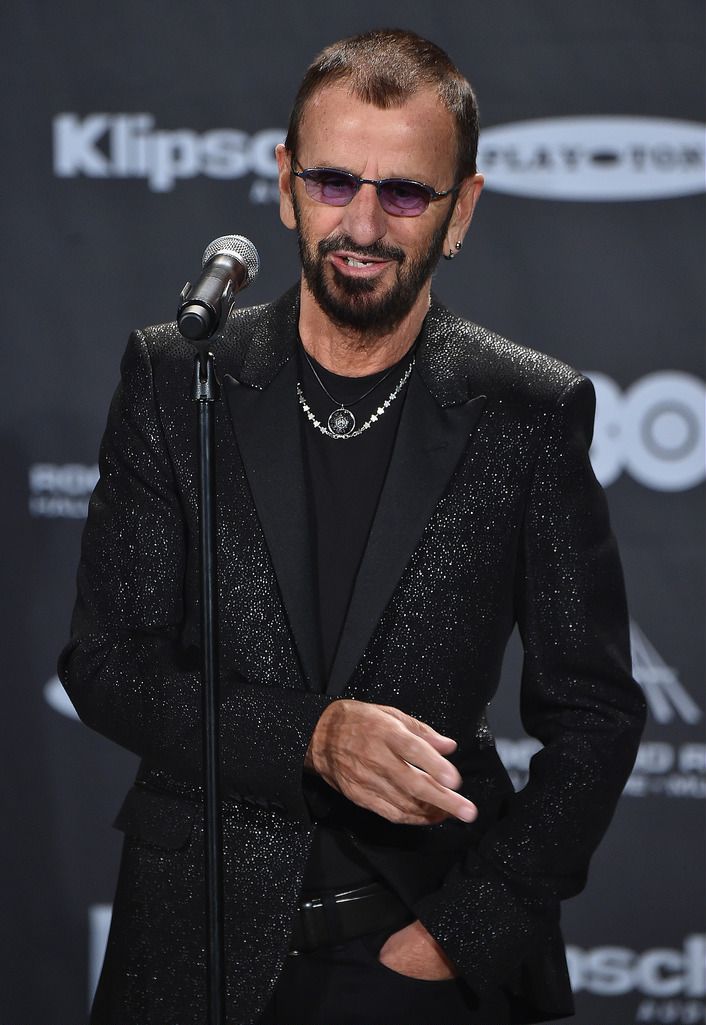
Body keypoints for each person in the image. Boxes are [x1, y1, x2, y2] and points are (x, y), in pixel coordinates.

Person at [59, 28, 646, 1025]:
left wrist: (470, 929)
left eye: (405, 192)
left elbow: (593, 712)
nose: (362, 222)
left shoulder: (528, 408)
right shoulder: (176, 377)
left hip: (411, 951)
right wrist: (311, 736)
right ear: (285, 182)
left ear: (460, 210)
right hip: (191, 942)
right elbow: (108, 664)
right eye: (333, 182)